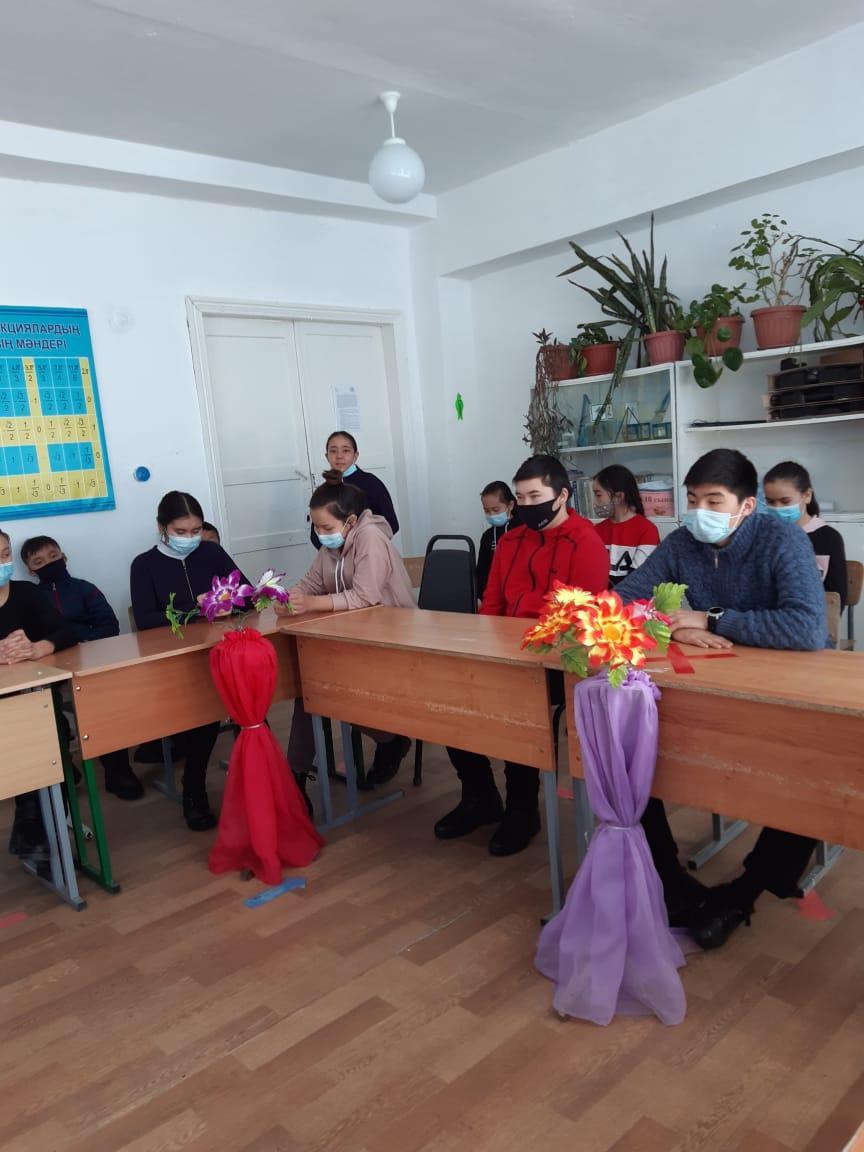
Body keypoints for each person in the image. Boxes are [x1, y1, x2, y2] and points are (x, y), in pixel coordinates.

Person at [616, 448, 826, 950]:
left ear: (747, 506)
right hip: (714, 685)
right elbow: (623, 600)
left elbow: (807, 628)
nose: (699, 511)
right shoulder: (683, 542)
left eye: (714, 500)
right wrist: (673, 628)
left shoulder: (784, 541)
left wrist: (712, 619)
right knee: (633, 746)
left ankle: (743, 892)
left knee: (815, 772)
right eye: (692, 499)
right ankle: (670, 880)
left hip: (785, 692)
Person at [435, 454, 609, 856]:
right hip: (506, 653)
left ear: (561, 496)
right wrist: (482, 649)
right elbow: (493, 602)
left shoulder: (585, 542)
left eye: (535, 496)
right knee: (448, 692)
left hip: (557, 660)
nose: (526, 505)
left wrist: (523, 649)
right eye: (521, 497)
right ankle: (479, 796)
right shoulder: (511, 541)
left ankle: (522, 808)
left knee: (519, 702)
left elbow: (579, 617)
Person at [279, 474, 415, 797]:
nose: (320, 534)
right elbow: (311, 583)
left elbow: (366, 596)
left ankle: (391, 739)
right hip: (350, 637)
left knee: (328, 692)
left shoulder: (370, 538)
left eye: (326, 527)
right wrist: (288, 597)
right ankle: (294, 778)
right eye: (315, 527)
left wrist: (312, 604)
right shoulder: (332, 545)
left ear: (351, 521)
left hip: (392, 638)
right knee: (309, 688)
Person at [130, 491, 249, 830]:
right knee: (203, 718)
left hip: (224, 651)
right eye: (180, 532)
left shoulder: (211, 552)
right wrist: (196, 609)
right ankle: (193, 789)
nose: (190, 538)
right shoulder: (144, 565)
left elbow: (248, 594)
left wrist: (229, 603)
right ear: (162, 528)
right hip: (179, 659)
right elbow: (146, 618)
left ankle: (261, 780)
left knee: (251, 710)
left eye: (196, 530)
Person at [21, 535, 144, 800]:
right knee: (42, 708)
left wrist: (81, 642)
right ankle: (63, 769)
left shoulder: (84, 589)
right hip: (48, 668)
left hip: (90, 661)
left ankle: (117, 770)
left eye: (53, 556)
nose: (48, 563)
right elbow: (29, 639)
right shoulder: (30, 598)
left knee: (104, 704)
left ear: (63, 557)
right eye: (39, 562)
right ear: (30, 570)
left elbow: (109, 625)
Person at [0, 526, 78, 869]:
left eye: (5, 555)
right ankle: (34, 833)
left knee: (53, 738)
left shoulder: (27, 593)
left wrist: (38, 648)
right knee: (22, 750)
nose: (2, 563)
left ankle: (41, 836)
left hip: (37, 698)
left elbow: (66, 631)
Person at [764, 460, 847, 610]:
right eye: (770, 502)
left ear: (807, 495)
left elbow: (835, 599)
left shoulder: (829, 538)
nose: (777, 508)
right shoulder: (764, 536)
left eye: (785, 501)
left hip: (812, 619)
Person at [310, 431, 398, 549]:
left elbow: (391, 524)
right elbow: (316, 531)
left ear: (355, 456)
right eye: (333, 451)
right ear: (327, 456)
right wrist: (332, 550)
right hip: (335, 556)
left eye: (345, 450)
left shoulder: (371, 483)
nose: (339, 456)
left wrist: (361, 545)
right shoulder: (324, 490)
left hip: (367, 551)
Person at [591, 463, 660, 585]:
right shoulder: (597, 530)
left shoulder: (647, 530)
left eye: (598, 495)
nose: (594, 502)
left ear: (618, 497)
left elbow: (638, 579)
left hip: (632, 596)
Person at [476, 481, 518, 602]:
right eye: (487, 511)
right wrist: (482, 597)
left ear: (510, 505)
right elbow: (482, 571)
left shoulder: (524, 529)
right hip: (494, 597)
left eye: (495, 509)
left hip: (519, 595)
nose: (491, 515)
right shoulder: (487, 536)